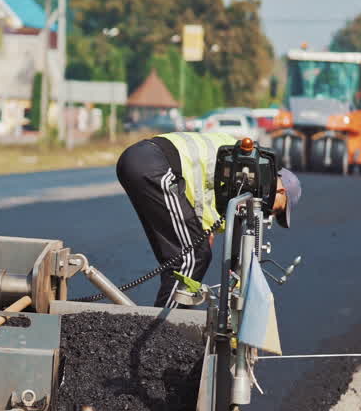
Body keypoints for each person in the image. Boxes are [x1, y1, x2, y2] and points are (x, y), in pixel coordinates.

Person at [116, 131, 301, 307]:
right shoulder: (247, 167)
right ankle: (166, 329)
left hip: (139, 159)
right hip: (156, 165)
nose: (270, 214)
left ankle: (168, 321)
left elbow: (205, 198)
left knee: (179, 258)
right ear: (281, 192)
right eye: (278, 210)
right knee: (193, 255)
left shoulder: (242, 160)